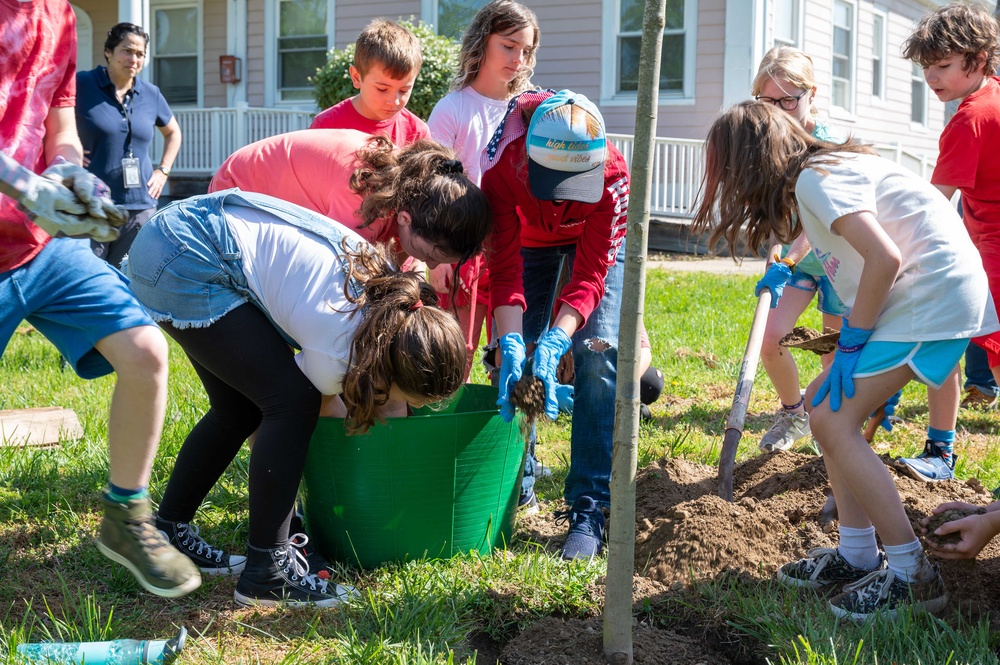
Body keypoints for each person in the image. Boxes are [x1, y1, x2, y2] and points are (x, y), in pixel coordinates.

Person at [693, 101, 999, 620]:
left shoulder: (817, 180)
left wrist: (852, 342)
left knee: (833, 419)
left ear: (749, 163)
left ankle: (913, 575)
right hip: (925, 294)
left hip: (932, 296)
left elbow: (886, 257)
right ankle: (856, 554)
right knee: (823, 403)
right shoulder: (818, 176)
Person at [122, 190, 468, 607]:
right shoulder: (340, 342)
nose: (405, 409)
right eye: (407, 399)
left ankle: (169, 529)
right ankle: (268, 570)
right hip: (185, 257)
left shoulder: (392, 302)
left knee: (239, 408)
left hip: (179, 236)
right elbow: (321, 409)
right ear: (391, 367)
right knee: (291, 402)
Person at [0, 0, 200, 598]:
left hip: (38, 244)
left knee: (145, 353)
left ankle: (125, 515)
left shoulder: (58, 16)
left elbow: (59, 129)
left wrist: (69, 175)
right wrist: (16, 179)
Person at [482, 89, 628, 560]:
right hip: (530, 241)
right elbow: (504, 274)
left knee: (596, 354)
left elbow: (589, 276)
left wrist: (559, 339)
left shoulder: (613, 176)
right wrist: (511, 343)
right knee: (517, 349)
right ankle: (516, 477)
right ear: (528, 158)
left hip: (590, 243)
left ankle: (589, 508)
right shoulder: (503, 173)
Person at [898, 2, 1000, 478]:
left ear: (977, 61)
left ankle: (941, 453)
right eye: (926, 67)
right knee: (950, 338)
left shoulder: (969, 120)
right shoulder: (993, 97)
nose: (931, 78)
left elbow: (933, 204)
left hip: (993, 251)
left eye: (942, 66)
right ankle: (939, 450)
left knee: (989, 354)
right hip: (980, 240)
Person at [426, 0, 539, 380]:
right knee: (454, 352)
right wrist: (438, 256)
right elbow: (431, 186)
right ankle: (443, 430)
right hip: (462, 246)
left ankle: (502, 434)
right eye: (508, 46)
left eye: (526, 50)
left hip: (515, 247)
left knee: (509, 357)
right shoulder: (452, 108)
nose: (517, 59)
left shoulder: (528, 111)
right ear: (482, 42)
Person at [749, 47, 847, 452]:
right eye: (768, 101)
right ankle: (795, 414)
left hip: (841, 264)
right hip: (797, 264)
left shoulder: (829, 146)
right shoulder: (766, 140)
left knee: (832, 354)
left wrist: (790, 256)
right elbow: (776, 211)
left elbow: (816, 220)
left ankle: (835, 431)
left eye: (789, 99)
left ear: (812, 94)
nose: (779, 110)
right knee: (770, 340)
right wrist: (775, 250)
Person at [209, 129, 488, 270]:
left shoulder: (403, 190)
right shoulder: (362, 197)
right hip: (235, 196)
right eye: (430, 256)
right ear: (406, 218)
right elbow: (343, 273)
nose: (430, 267)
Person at [76, 22, 181, 267]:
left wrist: (163, 171)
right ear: (108, 52)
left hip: (140, 206)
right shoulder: (82, 84)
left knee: (131, 279)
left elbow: (173, 133)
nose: (134, 58)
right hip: (93, 204)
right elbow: (47, 118)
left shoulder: (151, 93)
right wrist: (69, 149)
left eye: (140, 53)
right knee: (90, 277)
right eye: (127, 50)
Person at [309, 18, 430, 146]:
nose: (394, 101)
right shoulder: (326, 126)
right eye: (382, 89)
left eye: (404, 90)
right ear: (356, 77)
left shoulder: (417, 133)